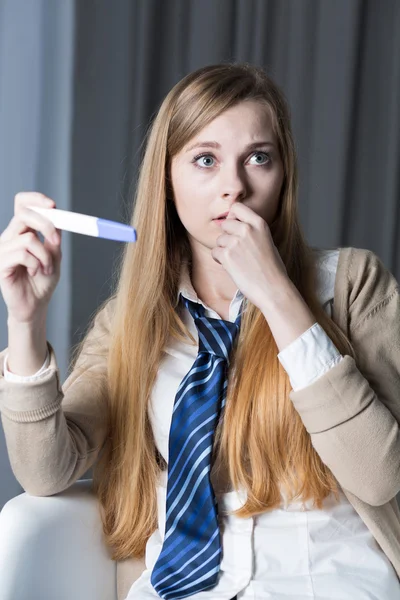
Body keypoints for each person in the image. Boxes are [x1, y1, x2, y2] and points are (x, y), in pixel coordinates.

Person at [1, 62, 400, 600]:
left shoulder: (352, 285)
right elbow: (47, 472)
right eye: (205, 160)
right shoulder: (133, 320)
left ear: (283, 176)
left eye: (259, 158)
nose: (233, 187)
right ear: (167, 179)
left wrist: (279, 297)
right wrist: (26, 320)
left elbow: (379, 475)